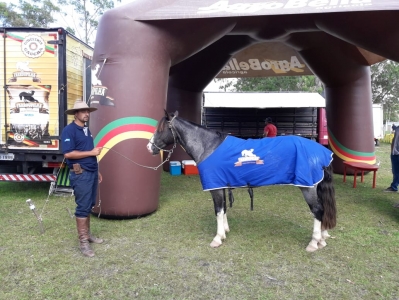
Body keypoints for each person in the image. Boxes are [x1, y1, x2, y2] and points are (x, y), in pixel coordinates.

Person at [61, 100, 103, 257]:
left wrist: (96, 170)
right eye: (83, 111)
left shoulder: (86, 130)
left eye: (88, 111)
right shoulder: (69, 130)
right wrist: (92, 153)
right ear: (75, 114)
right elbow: (68, 154)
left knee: (89, 204)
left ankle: (88, 235)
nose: (87, 114)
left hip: (91, 172)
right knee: (82, 207)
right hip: (80, 174)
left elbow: (88, 152)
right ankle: (83, 243)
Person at [384, 126, 399, 193]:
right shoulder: (397, 128)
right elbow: (394, 139)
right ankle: (394, 187)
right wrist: (392, 150)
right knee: (395, 172)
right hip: (394, 153)